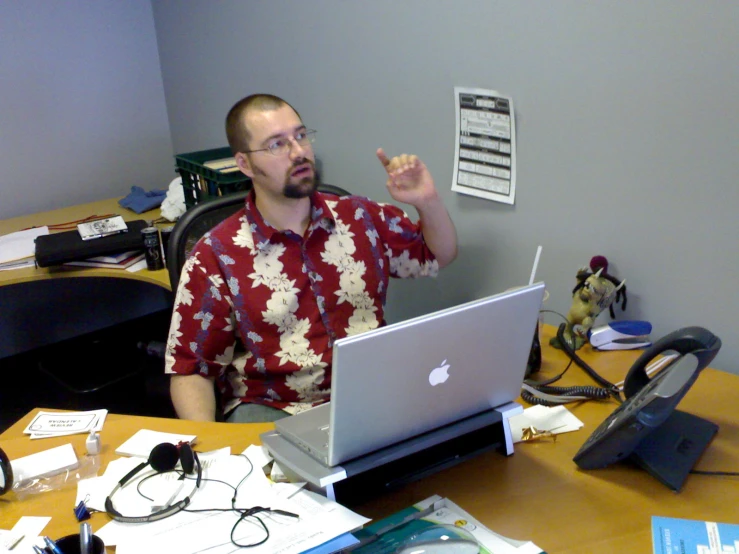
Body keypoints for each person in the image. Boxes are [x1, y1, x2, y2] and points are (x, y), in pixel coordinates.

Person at [165, 94, 458, 422]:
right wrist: (213, 455)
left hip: (372, 390)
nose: (298, 152)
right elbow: (191, 370)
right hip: (273, 407)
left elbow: (435, 256)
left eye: (300, 136)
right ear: (245, 164)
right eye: (276, 144)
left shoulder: (359, 216)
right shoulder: (215, 255)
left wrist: (427, 200)